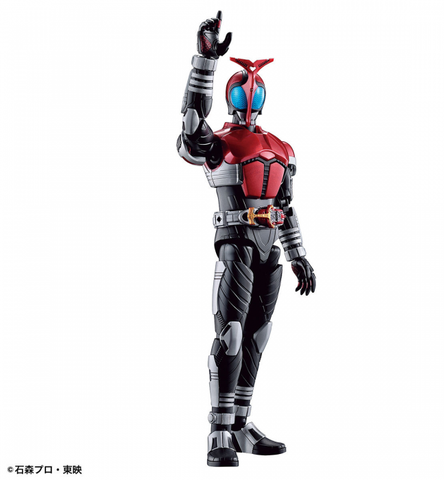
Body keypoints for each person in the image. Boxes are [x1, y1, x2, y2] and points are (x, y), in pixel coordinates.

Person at [177, 11, 316, 467]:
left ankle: (240, 425)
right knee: (231, 334)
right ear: (231, 95)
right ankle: (218, 431)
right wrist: (204, 62)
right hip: (235, 243)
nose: (250, 94)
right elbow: (189, 134)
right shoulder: (220, 142)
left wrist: (298, 255)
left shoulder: (281, 148)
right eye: (242, 89)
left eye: (254, 90)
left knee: (258, 334)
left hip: (268, 249)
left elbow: (286, 206)